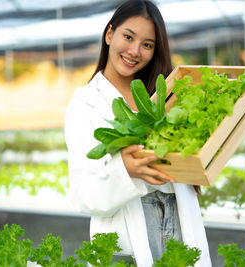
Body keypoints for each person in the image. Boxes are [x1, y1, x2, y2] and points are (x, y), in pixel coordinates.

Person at [64, 0, 211, 266]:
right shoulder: (84, 103)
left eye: (147, 44)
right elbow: (82, 194)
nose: (134, 51)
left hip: (178, 220)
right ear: (110, 34)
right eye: (128, 37)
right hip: (128, 232)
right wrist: (125, 170)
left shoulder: (166, 94)